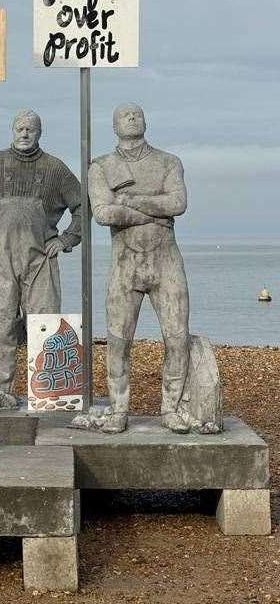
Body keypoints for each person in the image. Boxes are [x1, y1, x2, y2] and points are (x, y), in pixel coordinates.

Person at [86, 102, 190, 434]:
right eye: (125, 115)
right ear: (114, 125)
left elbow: (178, 203)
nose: (132, 118)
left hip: (166, 259)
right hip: (124, 263)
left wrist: (132, 201)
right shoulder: (101, 166)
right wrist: (155, 209)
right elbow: (103, 213)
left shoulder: (168, 162)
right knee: (118, 341)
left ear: (146, 120)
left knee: (177, 338)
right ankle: (118, 409)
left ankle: (171, 408)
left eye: (138, 114)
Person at [0, 109, 82, 409]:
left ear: (39, 133)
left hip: (40, 260)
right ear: (12, 130)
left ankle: (50, 393)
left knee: (45, 323)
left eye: (30, 129)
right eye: (19, 128)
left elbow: (83, 208)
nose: (24, 133)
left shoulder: (56, 169)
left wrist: (66, 239)